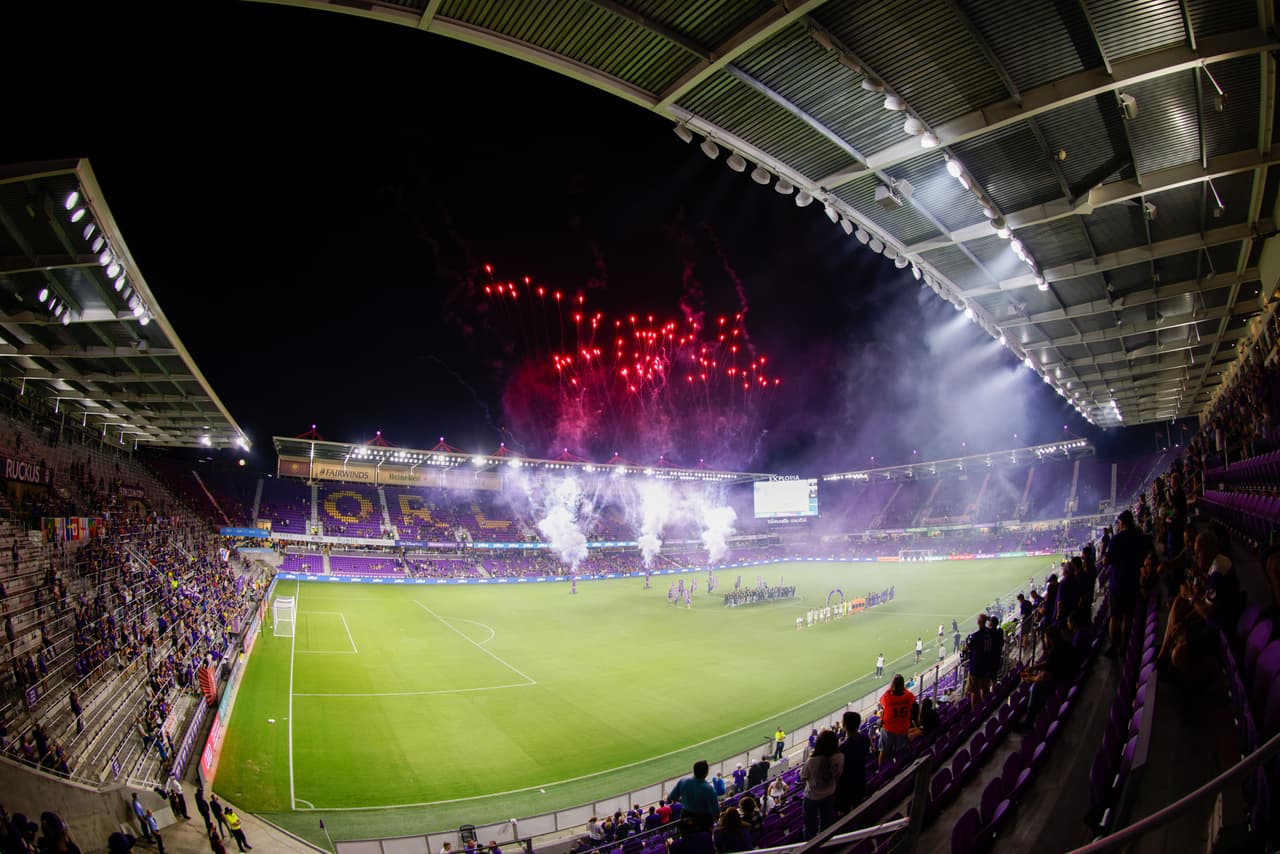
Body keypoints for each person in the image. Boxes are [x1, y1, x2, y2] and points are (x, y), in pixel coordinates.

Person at [1107, 510, 1153, 655]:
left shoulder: (1117, 539)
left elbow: (1106, 560)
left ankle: (1114, 647)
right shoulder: (1139, 537)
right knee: (1127, 615)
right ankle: (1124, 646)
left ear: (1122, 523)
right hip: (1133, 581)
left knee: (1114, 616)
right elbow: (1148, 552)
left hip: (1117, 582)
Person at [800, 730, 843, 840]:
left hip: (812, 796)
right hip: (830, 793)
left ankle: (809, 846)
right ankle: (824, 843)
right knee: (826, 822)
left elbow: (802, 776)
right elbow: (838, 774)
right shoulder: (840, 757)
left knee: (810, 827)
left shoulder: (812, 761)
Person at [666, 760, 719, 832]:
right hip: (703, 821)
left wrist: (684, 799)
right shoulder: (709, 789)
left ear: (694, 770)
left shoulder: (683, 781)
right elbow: (716, 812)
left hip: (686, 818)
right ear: (706, 773)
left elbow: (671, 798)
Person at [834, 711, 869, 814]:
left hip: (845, 786)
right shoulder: (865, 739)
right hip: (861, 779)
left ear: (844, 726)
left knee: (844, 813)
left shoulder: (842, 747)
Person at [877, 675, 914, 766]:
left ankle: (881, 769)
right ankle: (900, 766)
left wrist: (891, 689)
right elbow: (911, 699)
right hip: (903, 727)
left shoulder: (887, 698)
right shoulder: (908, 696)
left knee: (883, 750)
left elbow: (881, 700)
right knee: (900, 750)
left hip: (889, 728)